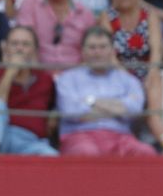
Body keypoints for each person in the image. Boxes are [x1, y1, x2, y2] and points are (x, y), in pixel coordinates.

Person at [55, 24, 156, 155]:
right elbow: (71, 112)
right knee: (87, 152)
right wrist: (117, 107)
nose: (97, 52)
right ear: (82, 51)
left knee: (146, 152)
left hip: (121, 137)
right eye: (92, 47)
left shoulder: (129, 80)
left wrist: (90, 101)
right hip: (79, 136)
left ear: (112, 51)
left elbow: (134, 110)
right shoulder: (67, 79)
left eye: (103, 47)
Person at [0, 23, 59, 153]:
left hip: (29, 142)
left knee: (51, 156)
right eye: (14, 44)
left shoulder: (45, 79)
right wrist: (10, 73)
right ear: (5, 49)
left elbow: (56, 105)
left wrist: (54, 114)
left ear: (35, 50)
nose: (19, 49)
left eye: (25, 44)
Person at [16, 0, 97, 67]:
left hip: (75, 75)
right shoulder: (29, 5)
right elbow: (25, 44)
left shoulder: (84, 13)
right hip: (39, 73)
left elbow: (91, 51)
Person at [101, 0, 160, 78]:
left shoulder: (150, 15)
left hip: (148, 73)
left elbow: (156, 51)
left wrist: (152, 74)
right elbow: (109, 55)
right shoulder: (107, 17)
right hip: (117, 74)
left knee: (155, 82)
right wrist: (128, 81)